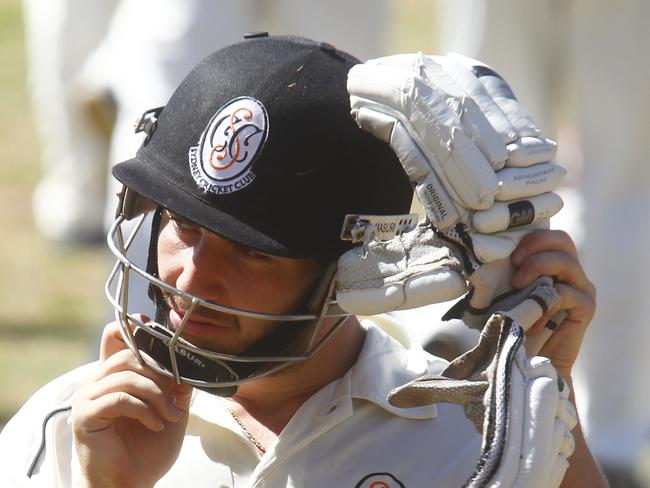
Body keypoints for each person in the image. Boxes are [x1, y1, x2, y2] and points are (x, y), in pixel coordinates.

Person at [1, 34, 604, 487]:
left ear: (358, 272)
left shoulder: (473, 434)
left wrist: (552, 406)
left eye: (252, 253)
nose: (192, 277)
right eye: (184, 226)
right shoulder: (71, 422)